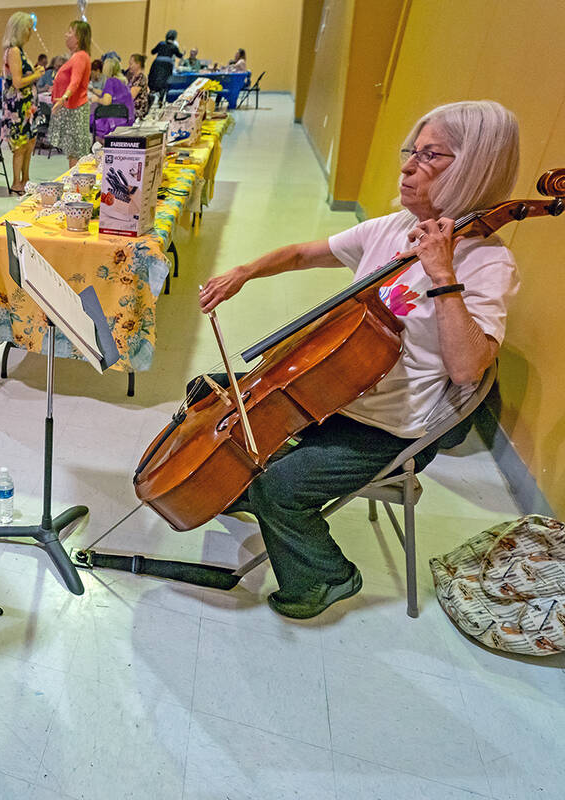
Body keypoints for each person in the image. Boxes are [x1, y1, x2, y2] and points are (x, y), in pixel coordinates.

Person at [197, 100, 520, 619]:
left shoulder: (486, 262)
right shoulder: (393, 229)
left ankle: (328, 577)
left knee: (277, 488)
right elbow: (305, 253)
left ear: (474, 168)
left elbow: (466, 368)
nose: (408, 167)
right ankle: (239, 493)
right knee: (213, 393)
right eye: (411, 151)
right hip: (336, 394)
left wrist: (442, 276)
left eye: (430, 155)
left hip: (388, 426)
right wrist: (243, 272)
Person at [0, 12, 44, 194]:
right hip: (18, 108)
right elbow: (17, 82)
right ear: (18, 29)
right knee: (20, 146)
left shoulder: (20, 51)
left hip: (27, 108)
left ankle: (26, 179)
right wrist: (36, 75)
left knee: (29, 143)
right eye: (28, 28)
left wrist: (33, 72)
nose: (30, 32)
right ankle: (17, 182)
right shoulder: (14, 51)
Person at [49, 20, 94, 167]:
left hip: (76, 109)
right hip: (72, 109)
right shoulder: (77, 56)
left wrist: (64, 97)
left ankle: (76, 186)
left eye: (70, 32)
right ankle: (75, 184)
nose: (66, 35)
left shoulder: (80, 56)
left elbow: (75, 81)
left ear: (78, 37)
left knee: (75, 153)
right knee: (73, 153)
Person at [90, 57, 133, 139]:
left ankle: (100, 144)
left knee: (89, 120)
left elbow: (106, 101)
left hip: (114, 120)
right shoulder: (122, 81)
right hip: (126, 119)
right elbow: (106, 93)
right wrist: (92, 89)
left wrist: (96, 99)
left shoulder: (110, 81)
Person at [148, 31, 183, 107]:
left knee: (154, 80)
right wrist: (183, 53)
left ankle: (150, 97)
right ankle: (161, 100)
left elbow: (153, 52)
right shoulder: (174, 47)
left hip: (157, 64)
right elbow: (179, 55)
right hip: (167, 66)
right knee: (164, 82)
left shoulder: (161, 44)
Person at [126, 53, 149, 121]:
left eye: (131, 64)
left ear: (138, 64)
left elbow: (130, 96)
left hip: (137, 110)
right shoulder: (132, 77)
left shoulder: (140, 78)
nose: (129, 66)